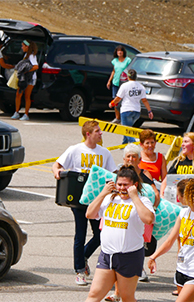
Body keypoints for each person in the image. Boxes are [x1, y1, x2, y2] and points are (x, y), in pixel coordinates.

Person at [52, 120, 117, 286]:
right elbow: (57, 164)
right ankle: (80, 271)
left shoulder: (105, 153)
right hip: (80, 200)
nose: (101, 133)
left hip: (98, 201)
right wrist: (57, 172)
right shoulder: (75, 150)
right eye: (97, 131)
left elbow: (114, 173)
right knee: (80, 234)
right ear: (88, 134)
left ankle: (84, 255)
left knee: (101, 235)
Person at [84, 166, 155, 302]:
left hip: (130, 256)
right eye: (119, 184)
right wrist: (103, 194)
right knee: (94, 295)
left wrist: (134, 197)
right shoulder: (109, 199)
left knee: (127, 297)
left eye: (126, 185)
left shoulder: (142, 201)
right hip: (107, 255)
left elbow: (149, 219)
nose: (122, 188)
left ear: (134, 185)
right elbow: (90, 214)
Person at [105, 144, 161, 301]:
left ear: (139, 159)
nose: (130, 159)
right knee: (117, 251)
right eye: (128, 156)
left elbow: (155, 193)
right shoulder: (119, 174)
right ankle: (117, 293)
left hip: (137, 217)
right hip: (118, 217)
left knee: (132, 247)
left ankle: (126, 287)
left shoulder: (144, 174)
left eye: (133, 157)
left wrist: (153, 207)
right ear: (124, 158)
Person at [109, 69, 154, 144]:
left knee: (125, 130)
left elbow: (118, 98)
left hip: (126, 110)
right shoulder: (141, 87)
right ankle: (124, 146)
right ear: (136, 77)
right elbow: (144, 100)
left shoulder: (124, 86)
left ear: (128, 77)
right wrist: (149, 111)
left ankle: (136, 143)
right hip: (136, 112)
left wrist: (112, 103)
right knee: (128, 129)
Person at [11, 40, 39, 121]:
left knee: (27, 96)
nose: (22, 47)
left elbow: (36, 66)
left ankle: (26, 114)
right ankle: (16, 112)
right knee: (18, 94)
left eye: (23, 46)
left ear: (27, 47)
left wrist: (25, 71)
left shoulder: (31, 56)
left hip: (30, 78)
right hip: (24, 78)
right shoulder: (26, 55)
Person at [108, 45, 131, 124]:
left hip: (124, 83)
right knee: (115, 100)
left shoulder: (127, 60)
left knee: (124, 100)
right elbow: (113, 71)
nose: (119, 52)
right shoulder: (115, 60)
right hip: (116, 83)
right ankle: (117, 118)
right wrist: (109, 81)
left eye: (121, 51)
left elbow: (129, 71)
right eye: (118, 51)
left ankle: (124, 118)